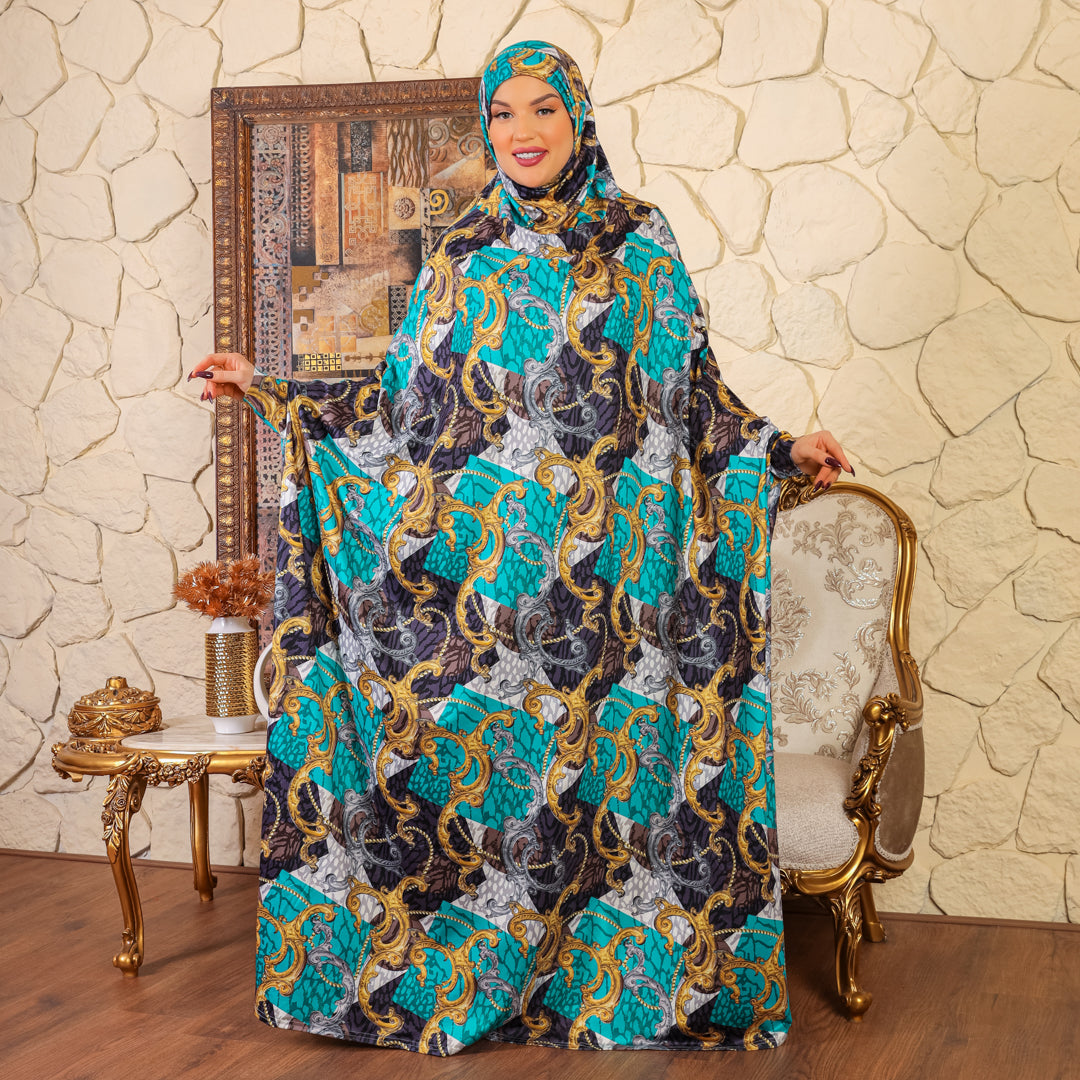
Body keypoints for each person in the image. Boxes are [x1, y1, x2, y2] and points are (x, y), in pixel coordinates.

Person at [193, 41, 852, 1054]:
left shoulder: (641, 240)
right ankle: (484, 974)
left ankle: (623, 985)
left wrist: (780, 449)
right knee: (503, 798)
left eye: (544, 108)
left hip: (620, 590)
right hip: (497, 598)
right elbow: (401, 413)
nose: (522, 131)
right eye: (502, 112)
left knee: (614, 798)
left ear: (578, 118)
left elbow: (692, 398)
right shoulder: (464, 251)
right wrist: (271, 389)